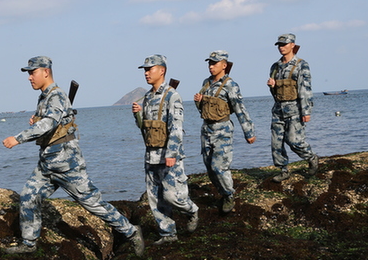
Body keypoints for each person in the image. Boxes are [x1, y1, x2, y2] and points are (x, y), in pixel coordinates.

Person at [2, 56, 144, 256]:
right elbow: (48, 122)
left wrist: (18, 138)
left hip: (66, 163)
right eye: (28, 73)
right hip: (48, 162)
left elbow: (48, 124)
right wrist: (36, 119)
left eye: (32, 73)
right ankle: (29, 242)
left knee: (92, 203)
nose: (29, 78)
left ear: (45, 72)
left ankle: (131, 231)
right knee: (29, 196)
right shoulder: (44, 96)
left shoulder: (57, 95)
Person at [131, 54, 198, 245]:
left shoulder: (172, 96)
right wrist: (137, 115)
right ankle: (167, 234)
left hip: (168, 155)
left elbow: (176, 127)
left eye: (149, 69)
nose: (146, 73)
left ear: (162, 70)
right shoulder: (148, 97)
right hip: (151, 154)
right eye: (144, 70)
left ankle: (192, 210)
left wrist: (172, 154)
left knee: (172, 196)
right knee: (155, 198)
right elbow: (145, 127)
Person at [194, 51, 256, 213]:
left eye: (214, 63)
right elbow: (203, 109)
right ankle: (223, 193)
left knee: (219, 166)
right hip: (206, 129)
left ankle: (229, 195)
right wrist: (199, 102)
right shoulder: (206, 83)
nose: (211, 66)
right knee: (209, 166)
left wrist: (248, 132)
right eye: (210, 63)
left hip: (222, 129)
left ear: (224, 65)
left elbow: (240, 109)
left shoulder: (230, 85)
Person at [266, 33, 319, 182]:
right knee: (276, 143)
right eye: (279, 45)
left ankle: (311, 157)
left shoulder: (302, 65)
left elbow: (305, 89)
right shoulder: (275, 67)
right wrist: (273, 86)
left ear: (292, 45)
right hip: (278, 109)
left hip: (295, 109)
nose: (281, 47)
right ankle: (283, 170)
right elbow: (275, 93)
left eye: (284, 44)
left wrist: (306, 111)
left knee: (294, 141)